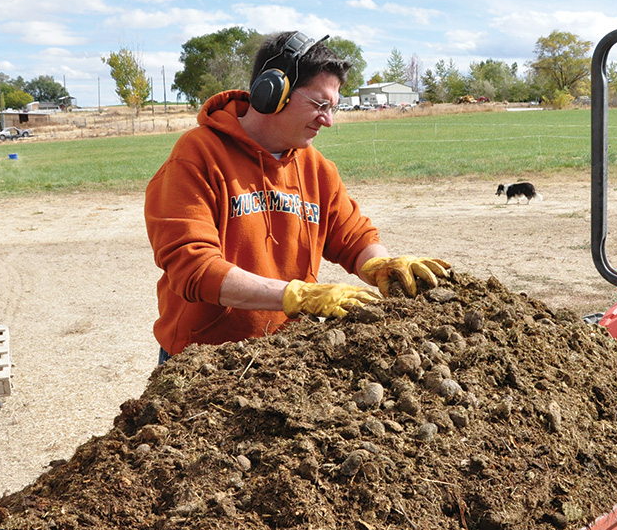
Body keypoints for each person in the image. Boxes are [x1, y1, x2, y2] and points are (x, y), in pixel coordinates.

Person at [144, 31, 450, 363]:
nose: (329, 121)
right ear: (272, 91)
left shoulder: (317, 168)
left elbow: (354, 237)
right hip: (203, 359)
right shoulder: (196, 157)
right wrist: (297, 295)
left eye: (333, 108)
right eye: (320, 104)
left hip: (283, 355)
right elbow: (194, 267)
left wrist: (378, 264)